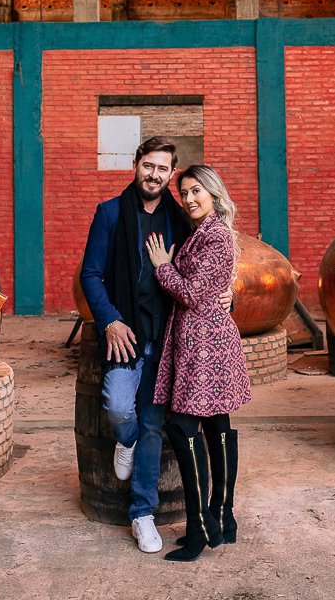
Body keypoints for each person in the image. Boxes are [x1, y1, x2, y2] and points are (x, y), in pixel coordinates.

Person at [79, 137, 231, 554]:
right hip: (126, 335)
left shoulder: (180, 218)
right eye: (149, 165)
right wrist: (109, 321)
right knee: (118, 408)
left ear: (170, 174)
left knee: (151, 425)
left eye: (163, 169)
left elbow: (207, 266)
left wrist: (227, 294)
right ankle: (123, 439)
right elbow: (90, 274)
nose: (154, 175)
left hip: (166, 340)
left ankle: (141, 514)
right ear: (136, 164)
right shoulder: (110, 213)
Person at [145, 164, 252, 562]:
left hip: (205, 347)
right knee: (217, 425)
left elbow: (191, 293)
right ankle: (222, 518)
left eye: (196, 191)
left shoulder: (215, 235)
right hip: (203, 342)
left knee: (182, 427)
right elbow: (211, 287)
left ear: (212, 192)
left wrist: (162, 266)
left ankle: (200, 529)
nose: (189, 199)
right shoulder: (203, 232)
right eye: (185, 193)